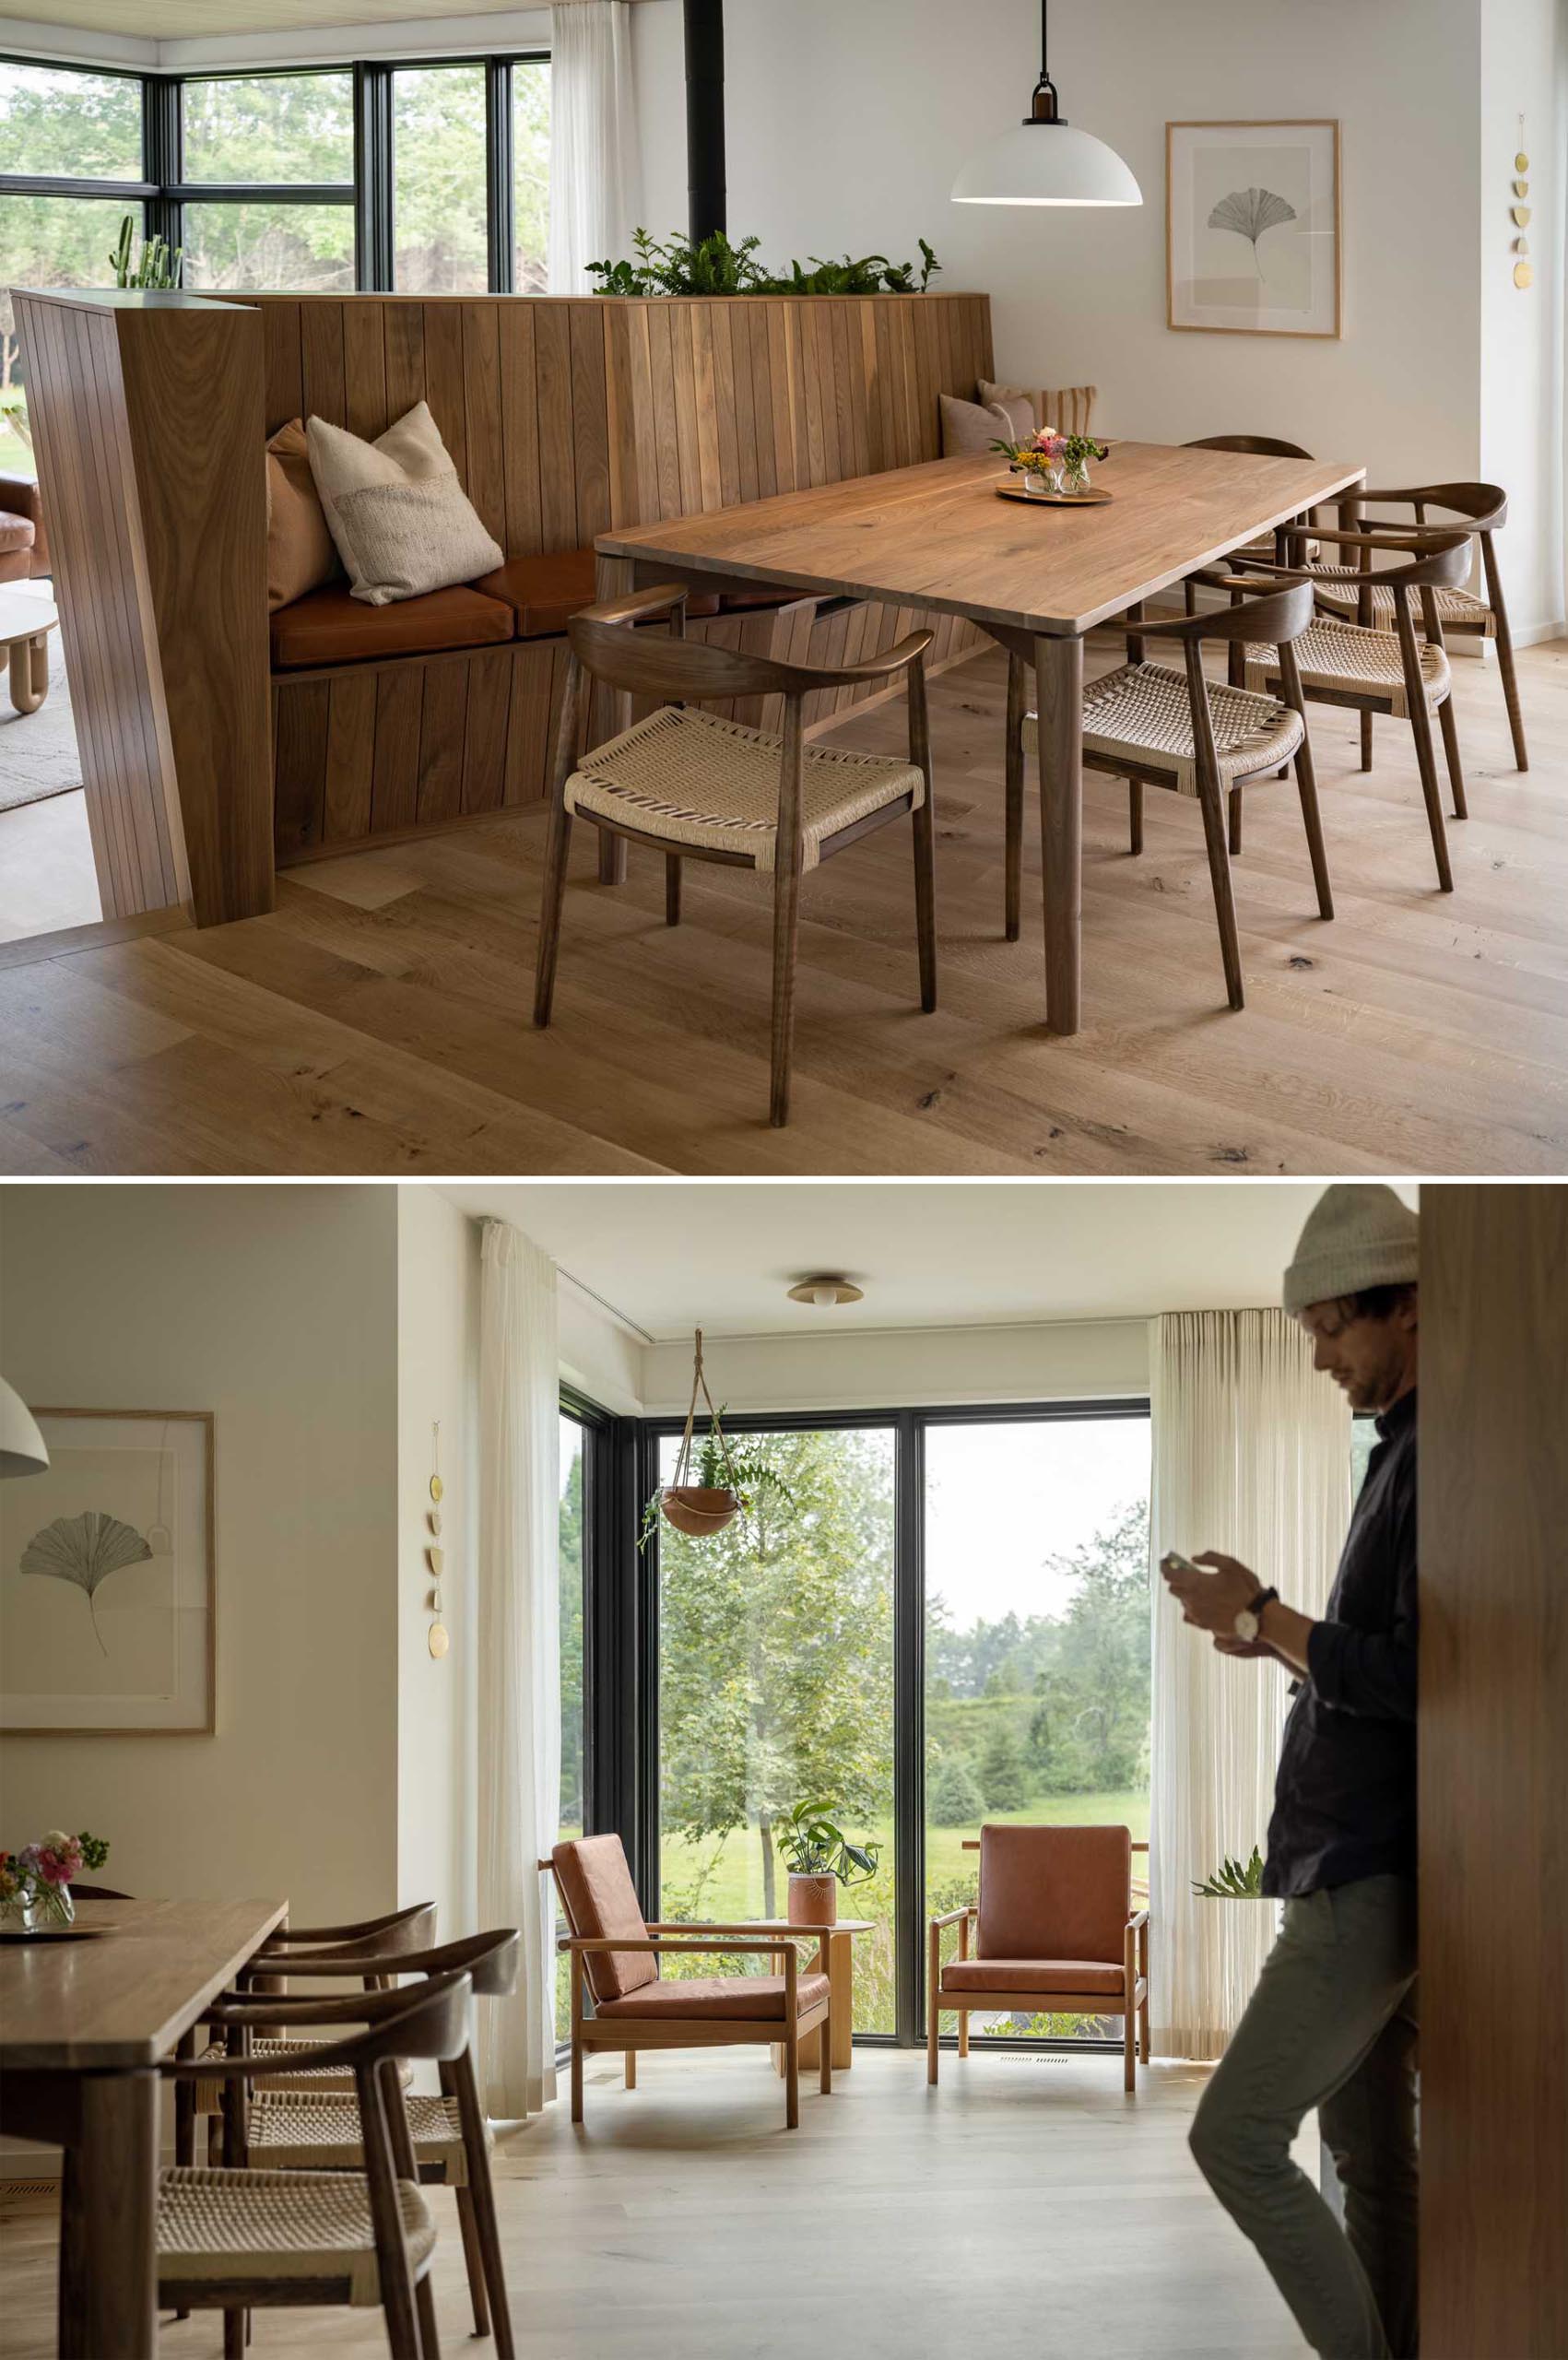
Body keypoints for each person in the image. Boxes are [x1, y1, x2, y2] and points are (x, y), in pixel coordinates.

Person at [1160, 1182, 1420, 2360]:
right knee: (1368, 2152)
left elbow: (1418, 1675)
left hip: (1362, 1871)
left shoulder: (1438, 1458)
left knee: (1236, 2136)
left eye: (1330, 1327)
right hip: (1353, 1854)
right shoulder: (1403, 1451)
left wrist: (1267, 1612)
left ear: (1405, 1309)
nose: (1319, 1356)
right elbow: (1373, 1680)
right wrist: (1271, 1637)